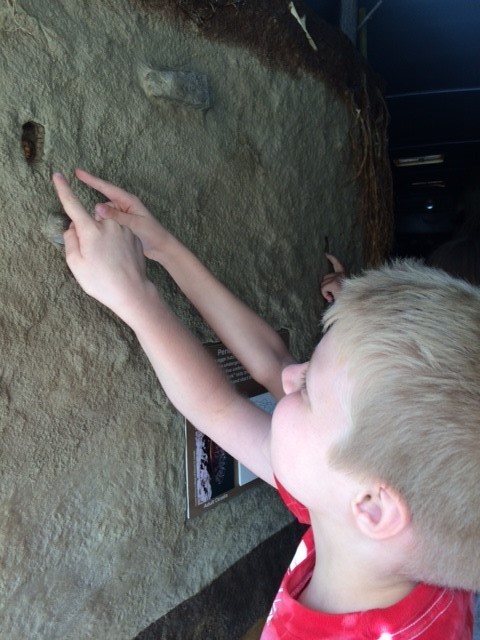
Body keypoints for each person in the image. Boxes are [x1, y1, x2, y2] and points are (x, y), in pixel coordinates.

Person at [53, 171, 480, 639]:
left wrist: (133, 294)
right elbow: (248, 381)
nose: (292, 375)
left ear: (374, 507)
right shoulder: (367, 526)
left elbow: (248, 387)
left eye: (309, 393)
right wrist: (159, 255)